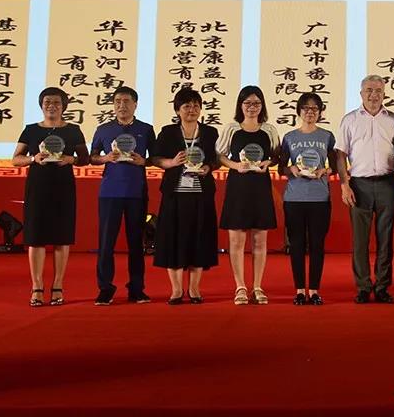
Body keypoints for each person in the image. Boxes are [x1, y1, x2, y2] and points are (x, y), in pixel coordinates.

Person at [11, 87, 89, 307]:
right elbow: (15, 159)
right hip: (38, 187)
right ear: (41, 105)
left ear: (64, 106)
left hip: (63, 187)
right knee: (35, 237)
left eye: (56, 102)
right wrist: (33, 159)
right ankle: (37, 287)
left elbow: (85, 159)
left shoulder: (73, 130)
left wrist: (71, 160)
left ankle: (57, 286)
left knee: (62, 238)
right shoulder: (31, 130)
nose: (51, 106)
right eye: (47, 102)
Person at [335, 75, 394, 304]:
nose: (374, 95)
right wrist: (344, 184)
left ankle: (382, 287)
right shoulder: (350, 120)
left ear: (384, 93)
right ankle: (363, 287)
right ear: (361, 93)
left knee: (386, 239)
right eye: (369, 90)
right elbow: (340, 155)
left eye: (378, 91)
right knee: (360, 240)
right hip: (359, 184)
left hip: (387, 183)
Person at [89, 86, 157, 306]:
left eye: (126, 101)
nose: (122, 105)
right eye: (118, 101)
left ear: (135, 104)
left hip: (136, 192)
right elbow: (92, 157)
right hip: (110, 192)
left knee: (136, 242)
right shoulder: (103, 129)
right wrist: (105, 158)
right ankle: (105, 289)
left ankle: (136, 289)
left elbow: (156, 158)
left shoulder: (146, 129)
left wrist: (143, 161)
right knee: (106, 243)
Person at [152, 89, 220, 304]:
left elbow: (216, 160)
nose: (192, 110)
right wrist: (171, 163)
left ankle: (194, 289)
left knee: (199, 240)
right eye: (186, 106)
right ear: (177, 110)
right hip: (175, 195)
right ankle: (176, 289)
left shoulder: (210, 133)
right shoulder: (168, 132)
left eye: (196, 105)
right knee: (173, 240)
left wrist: (209, 167)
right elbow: (155, 158)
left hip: (201, 195)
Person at [217, 86, 279, 305]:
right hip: (238, 186)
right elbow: (219, 154)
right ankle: (240, 287)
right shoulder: (232, 128)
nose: (252, 107)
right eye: (248, 103)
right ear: (240, 105)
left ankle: (258, 286)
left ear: (262, 105)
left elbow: (276, 155)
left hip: (260, 186)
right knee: (236, 240)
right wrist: (236, 165)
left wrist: (268, 163)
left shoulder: (269, 129)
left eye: (256, 103)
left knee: (260, 240)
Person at [279, 92, 337, 306]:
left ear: (320, 112)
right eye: (306, 108)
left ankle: (313, 290)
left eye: (315, 108)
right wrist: (291, 169)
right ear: (299, 111)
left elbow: (334, 165)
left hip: (319, 197)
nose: (310, 112)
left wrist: (326, 170)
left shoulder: (327, 136)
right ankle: (299, 290)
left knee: (317, 245)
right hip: (294, 198)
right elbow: (281, 167)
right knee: (296, 245)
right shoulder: (289, 137)